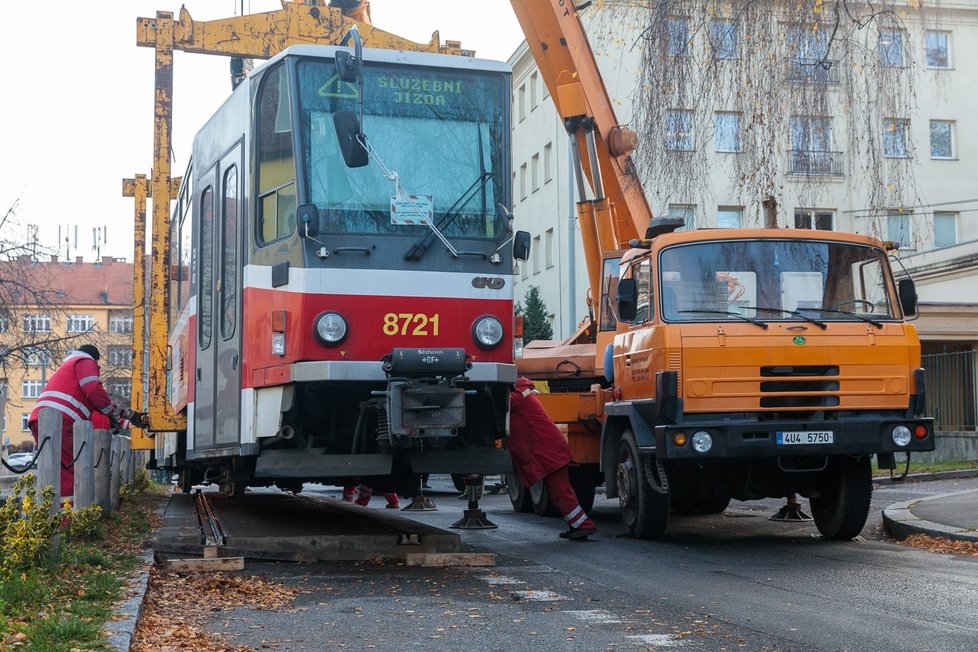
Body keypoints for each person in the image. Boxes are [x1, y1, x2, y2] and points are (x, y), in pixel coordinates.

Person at [28, 345, 147, 497]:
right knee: (68, 470)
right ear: (95, 359)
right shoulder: (85, 361)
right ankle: (66, 517)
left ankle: (49, 512)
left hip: (41, 420)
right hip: (61, 421)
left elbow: (97, 402)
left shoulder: (69, 369)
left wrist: (128, 416)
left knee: (51, 469)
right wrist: (117, 415)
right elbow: (93, 390)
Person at [508, 377, 597, 540]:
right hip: (550, 450)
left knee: (561, 492)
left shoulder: (517, 398)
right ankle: (577, 525)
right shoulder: (523, 394)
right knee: (561, 492)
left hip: (549, 452)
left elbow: (502, 403)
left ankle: (584, 526)